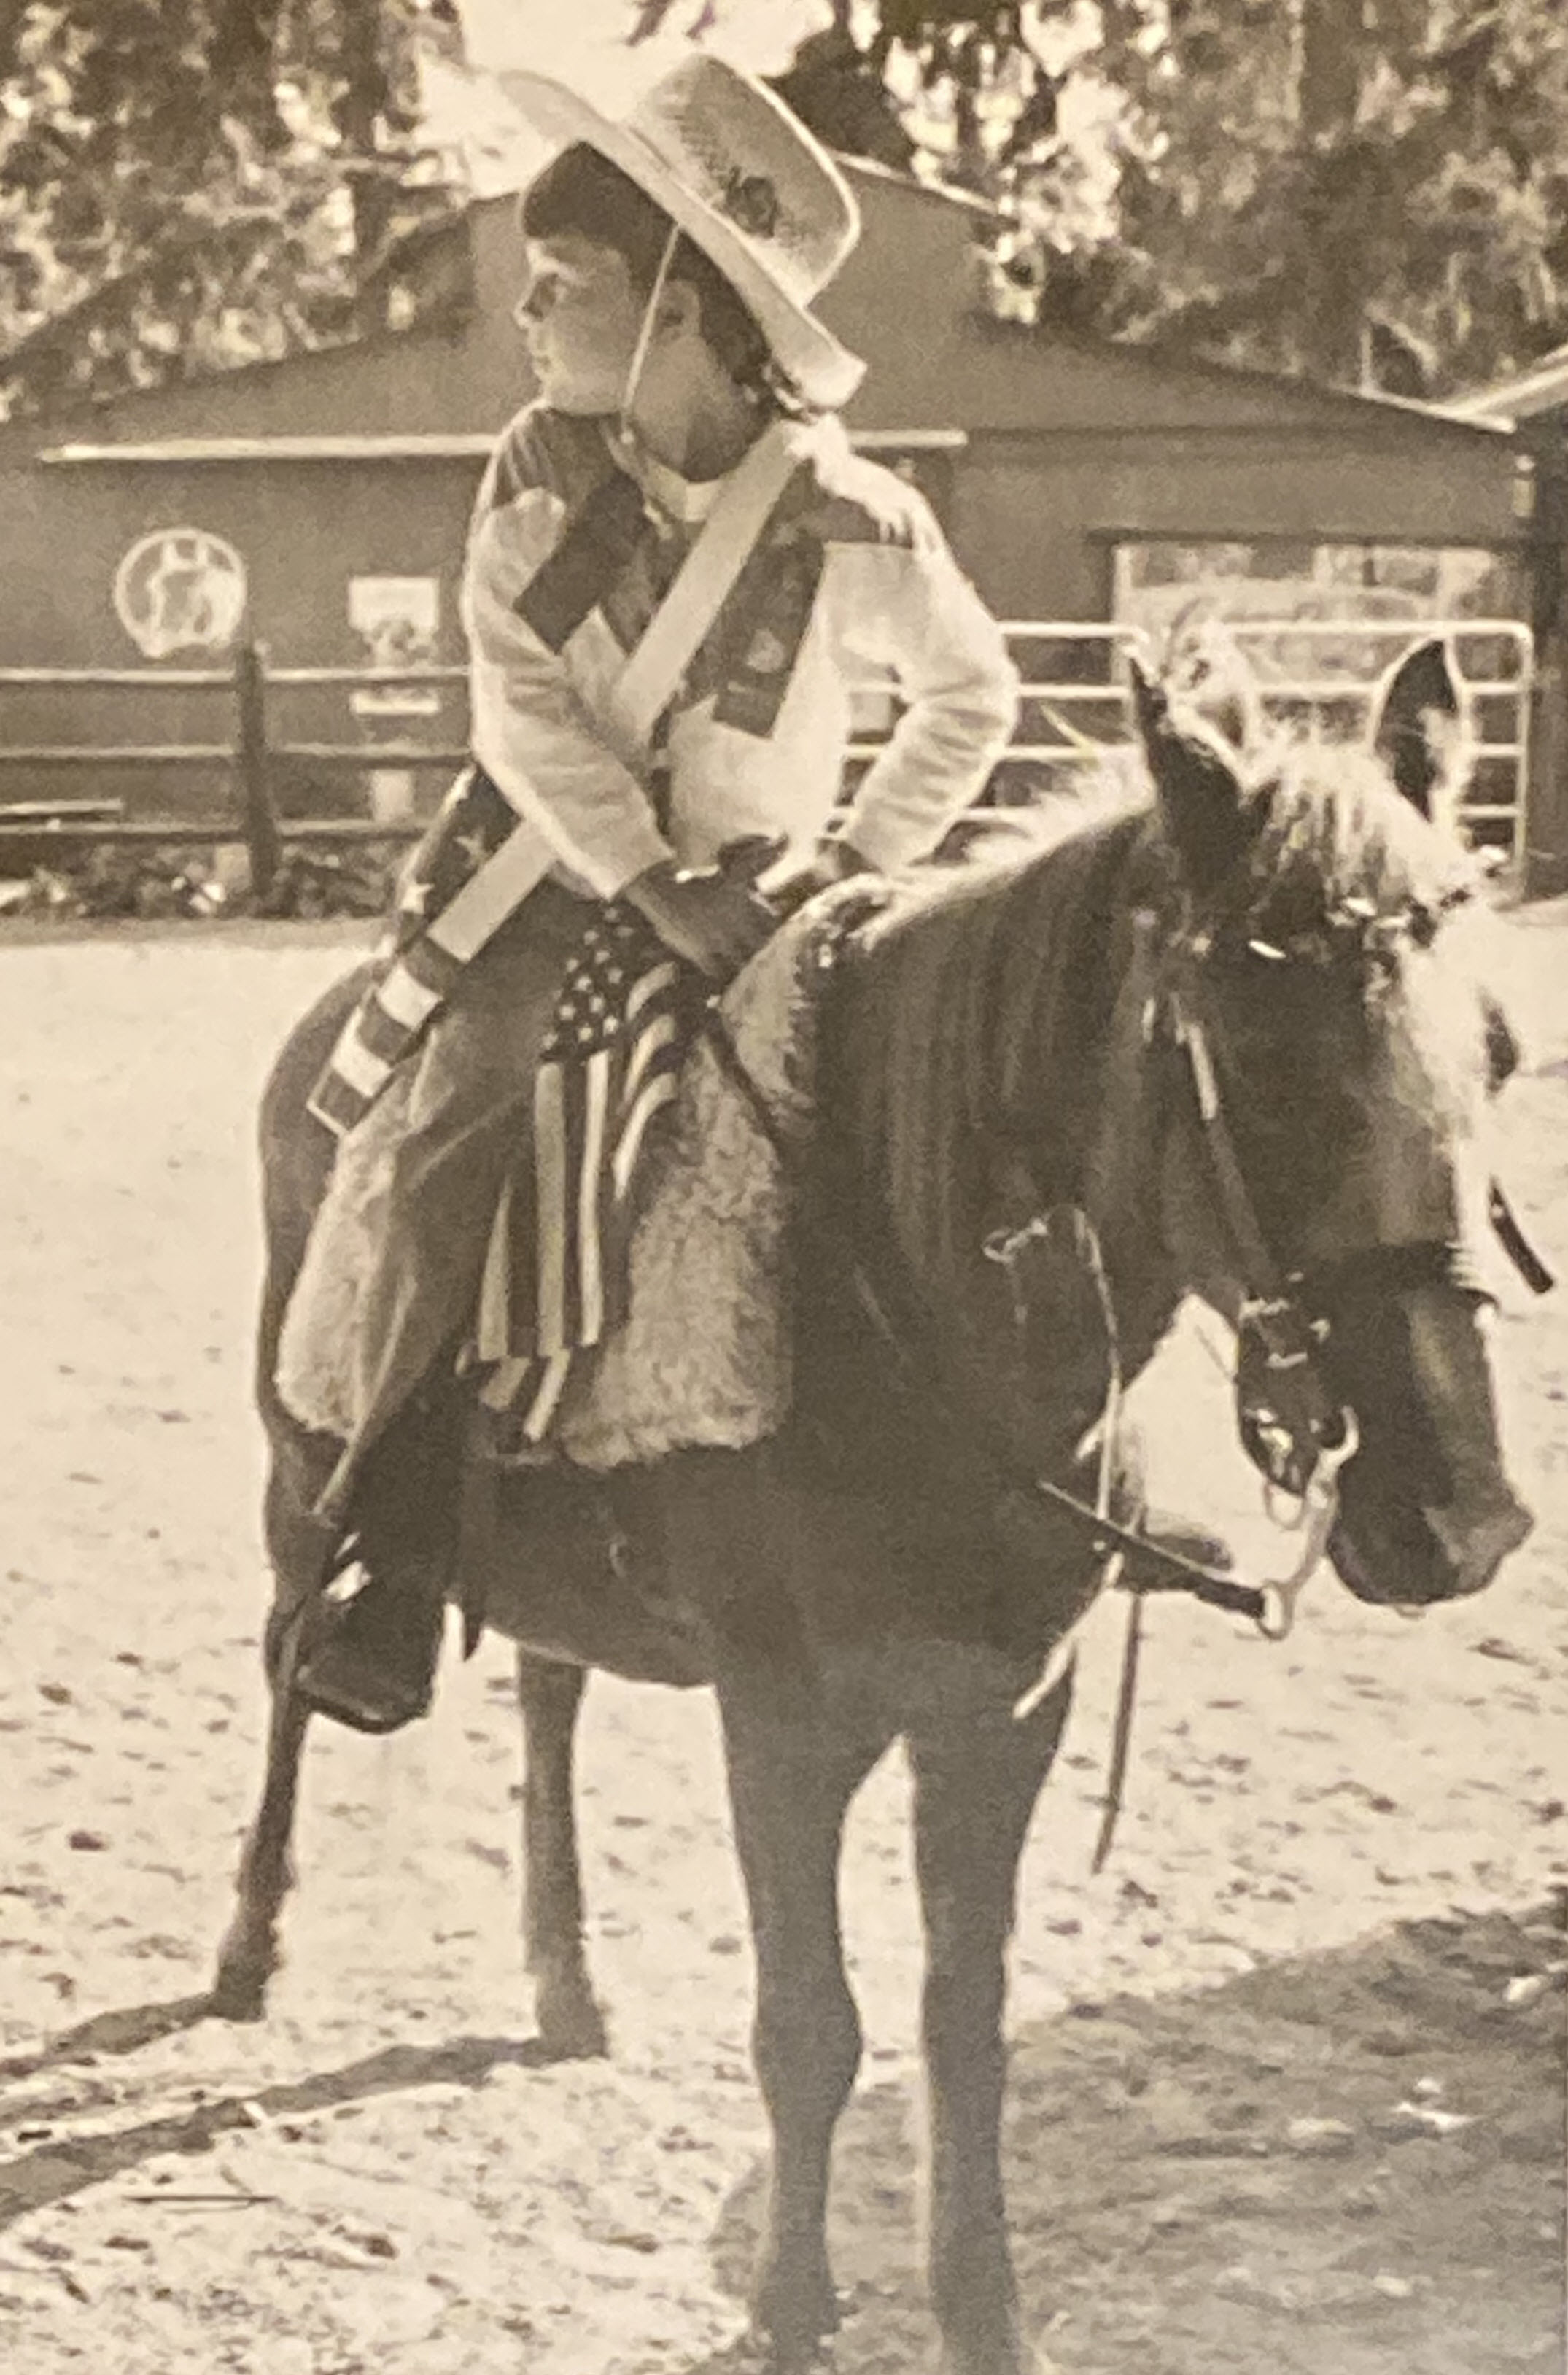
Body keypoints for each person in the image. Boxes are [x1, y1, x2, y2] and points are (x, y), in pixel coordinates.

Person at [290, 53, 1021, 1734]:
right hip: (545, 890)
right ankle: (399, 1549)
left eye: (570, 289)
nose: (532, 316)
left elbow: (970, 696)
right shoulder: (539, 473)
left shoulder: (856, 516)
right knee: (458, 1130)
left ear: (686, 307)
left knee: (922, 1133)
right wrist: (643, 871)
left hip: (777, 900)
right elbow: (520, 700)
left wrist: (855, 865)